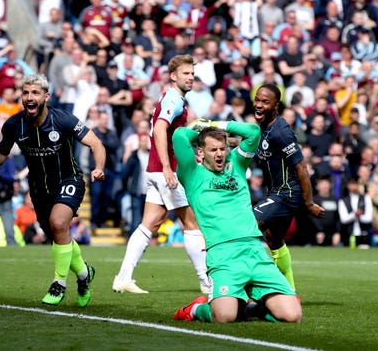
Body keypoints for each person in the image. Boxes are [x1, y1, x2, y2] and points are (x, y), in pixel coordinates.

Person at [0, 74, 106, 308]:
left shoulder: (64, 120)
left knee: (59, 224)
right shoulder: (13, 124)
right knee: (57, 235)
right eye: (26, 93)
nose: (30, 97)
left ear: (46, 97)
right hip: (39, 189)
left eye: (35, 93)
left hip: (69, 179)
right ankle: (84, 275)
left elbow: (96, 143)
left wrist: (99, 167)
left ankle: (58, 283)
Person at [172, 121, 301, 323]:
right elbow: (179, 135)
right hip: (223, 256)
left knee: (293, 315)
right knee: (224, 317)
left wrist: (216, 123)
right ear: (200, 152)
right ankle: (196, 309)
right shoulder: (191, 174)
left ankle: (250, 307)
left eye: (223, 148)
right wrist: (200, 128)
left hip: (254, 251)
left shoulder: (237, 165)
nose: (219, 154)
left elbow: (253, 132)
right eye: (213, 149)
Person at [113, 55, 209, 294]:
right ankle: (206, 282)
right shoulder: (174, 98)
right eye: (186, 73)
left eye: (192, 74)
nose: (190, 78)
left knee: (150, 224)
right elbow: (160, 129)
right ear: (174, 76)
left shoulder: (174, 99)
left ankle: (123, 277)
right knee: (192, 223)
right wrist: (168, 167)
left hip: (157, 169)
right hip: (167, 171)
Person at [252, 83, 324, 291]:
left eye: (265, 102)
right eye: (257, 99)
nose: (258, 105)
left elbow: (301, 166)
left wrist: (308, 203)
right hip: (276, 192)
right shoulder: (264, 127)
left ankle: (244, 286)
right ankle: (289, 291)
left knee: (248, 226)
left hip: (286, 194)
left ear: (275, 106)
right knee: (274, 240)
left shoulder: (281, 132)